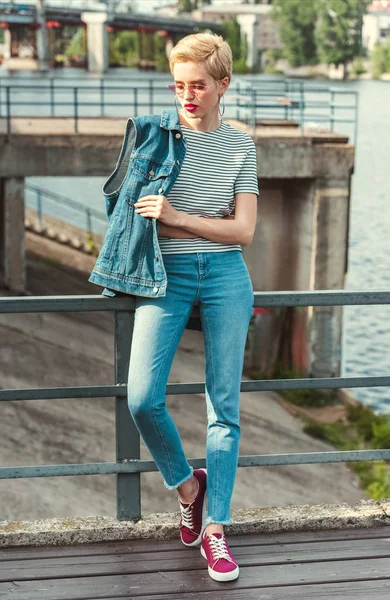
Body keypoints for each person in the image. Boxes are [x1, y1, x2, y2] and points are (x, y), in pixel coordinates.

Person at [127, 32, 259, 582]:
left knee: (223, 409)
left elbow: (244, 231)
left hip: (227, 276)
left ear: (223, 85)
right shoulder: (158, 137)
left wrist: (178, 217)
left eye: (198, 85)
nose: (187, 95)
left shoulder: (241, 146)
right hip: (167, 276)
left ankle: (215, 530)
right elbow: (123, 202)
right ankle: (188, 486)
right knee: (141, 397)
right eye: (179, 84)